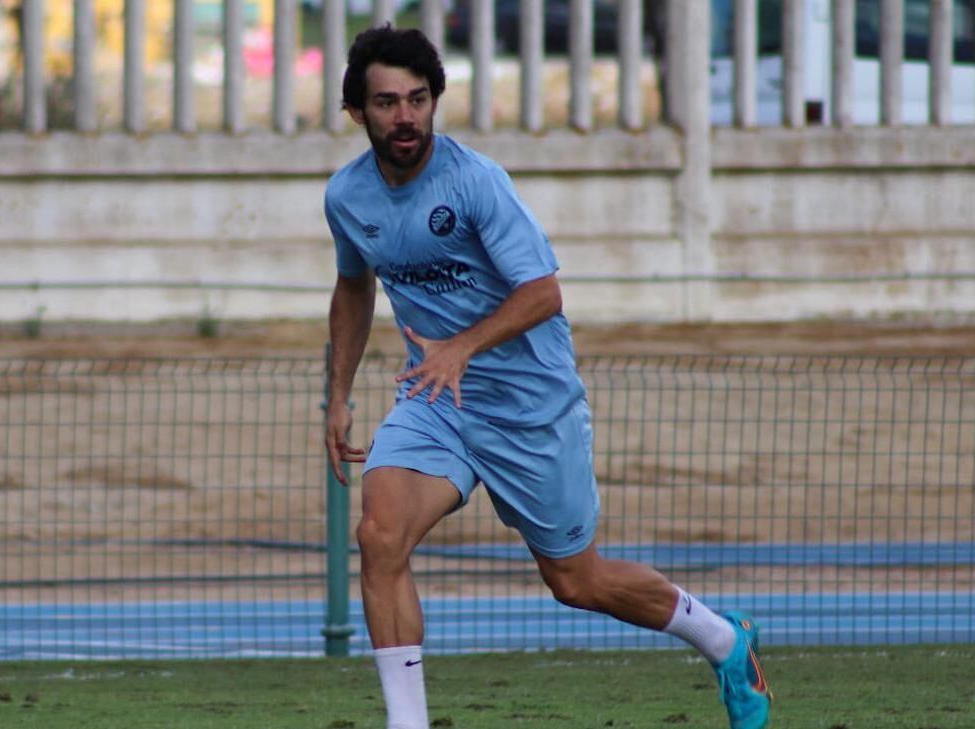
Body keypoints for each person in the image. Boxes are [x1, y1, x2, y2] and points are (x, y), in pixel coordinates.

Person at [321, 25, 771, 729]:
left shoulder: (476, 184)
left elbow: (544, 292)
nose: (404, 116)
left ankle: (722, 638)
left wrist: (461, 347)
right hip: (436, 400)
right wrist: (338, 396)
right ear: (357, 113)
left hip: (530, 405)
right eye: (385, 103)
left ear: (436, 101)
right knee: (380, 536)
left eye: (417, 99)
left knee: (576, 580)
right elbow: (353, 288)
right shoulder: (348, 197)